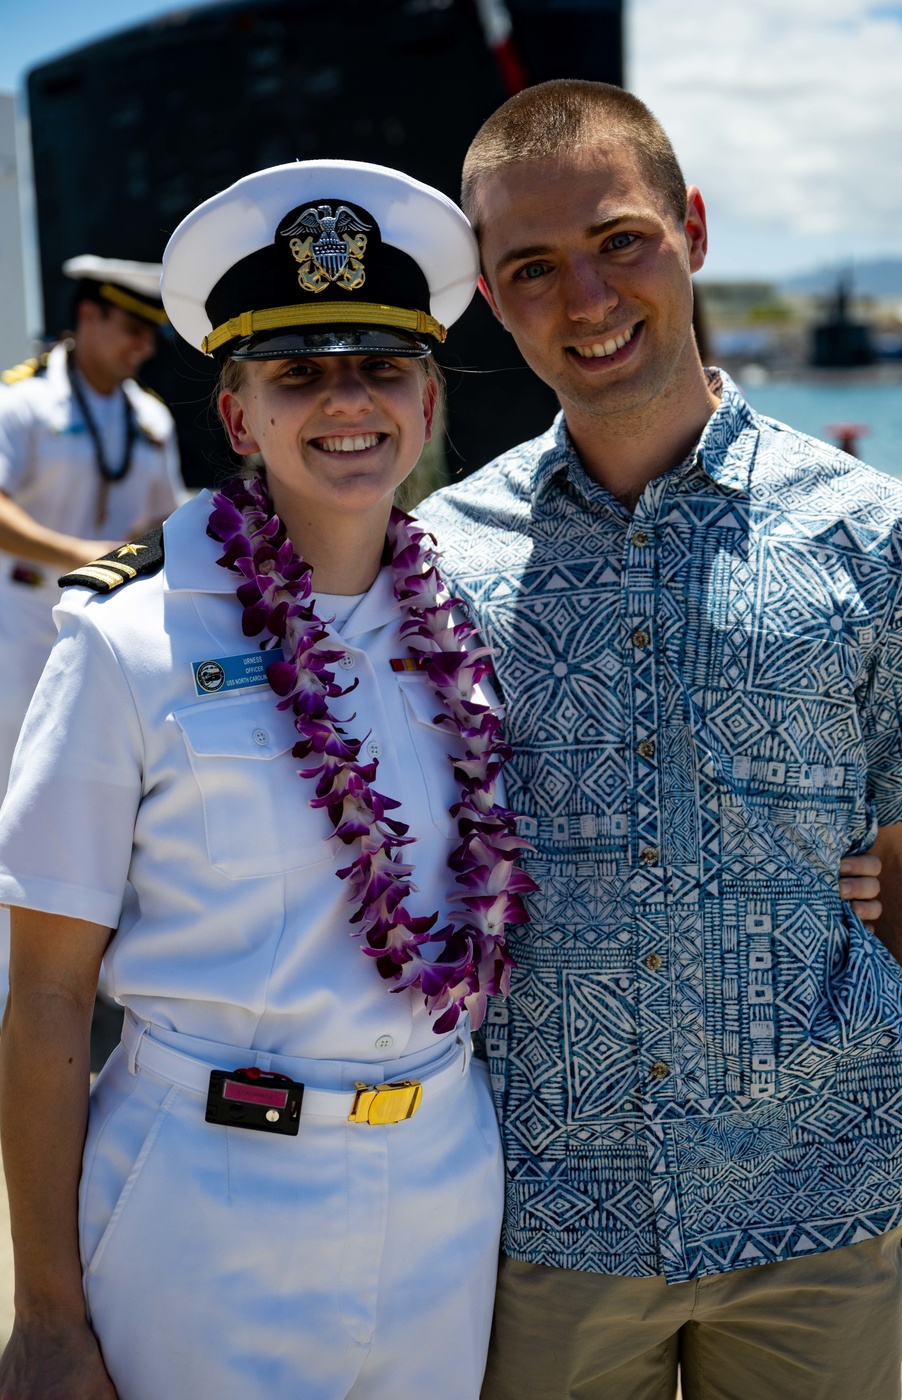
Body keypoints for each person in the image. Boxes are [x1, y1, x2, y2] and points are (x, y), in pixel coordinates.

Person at [417, 80, 902, 1400]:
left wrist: (899, 1142)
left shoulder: (878, 536)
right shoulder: (439, 561)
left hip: (823, 1200)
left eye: (621, 239)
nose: (588, 297)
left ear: (690, 226)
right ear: (492, 300)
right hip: (547, 1220)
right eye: (532, 268)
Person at [0, 161, 520, 1399]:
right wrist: (48, 1313)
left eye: (382, 366)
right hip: (205, 1202)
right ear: (237, 418)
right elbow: (48, 999)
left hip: (446, 1184)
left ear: (429, 392)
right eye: (296, 373)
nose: (348, 402)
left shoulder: (480, 624)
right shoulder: (125, 641)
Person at [0, 256, 183, 796]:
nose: (145, 347)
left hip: (110, 627)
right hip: (22, 624)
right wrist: (82, 556)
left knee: (98, 781)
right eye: (132, 329)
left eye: (151, 333)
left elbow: (163, 516)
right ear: (88, 317)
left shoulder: (150, 417)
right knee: (13, 782)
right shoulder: (21, 400)